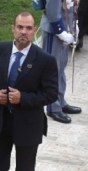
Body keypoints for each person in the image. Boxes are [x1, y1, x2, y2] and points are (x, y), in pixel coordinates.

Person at [0, 11, 58, 171]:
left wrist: (22, 98)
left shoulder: (45, 60)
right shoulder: (1, 50)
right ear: (13, 28)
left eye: (28, 28)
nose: (23, 32)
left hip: (28, 125)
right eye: (20, 27)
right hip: (2, 123)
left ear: (34, 30)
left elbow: (51, 93)